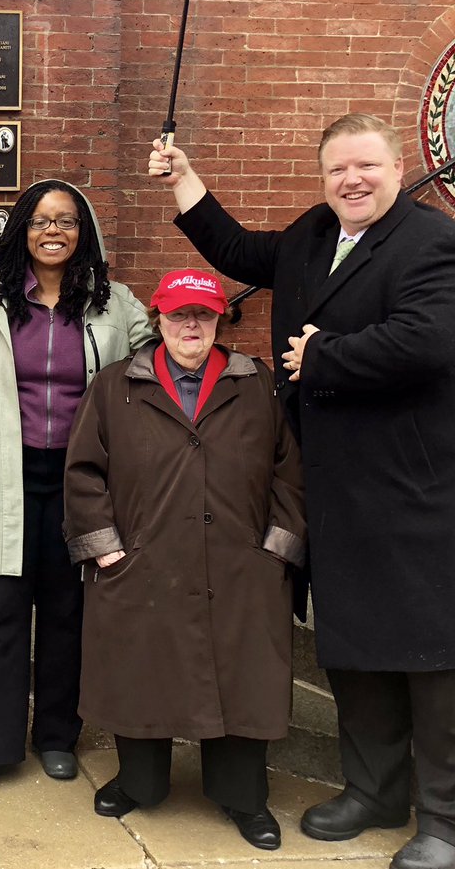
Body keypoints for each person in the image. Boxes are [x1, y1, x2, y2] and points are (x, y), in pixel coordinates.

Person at [152, 114, 455, 869]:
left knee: (429, 656)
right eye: (336, 170)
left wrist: (325, 355)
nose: (351, 181)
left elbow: (429, 339)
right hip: (329, 488)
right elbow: (235, 249)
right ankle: (374, 789)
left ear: (396, 166)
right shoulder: (314, 235)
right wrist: (183, 176)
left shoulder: (432, 241)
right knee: (352, 646)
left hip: (411, 491)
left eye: (366, 167)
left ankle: (444, 818)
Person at [64, 268, 306, 851]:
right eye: (178, 314)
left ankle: (244, 797)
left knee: (244, 678)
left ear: (220, 319)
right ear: (159, 320)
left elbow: (288, 474)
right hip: (142, 562)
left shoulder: (256, 384)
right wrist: (106, 548)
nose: (190, 324)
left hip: (239, 565)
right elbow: (83, 472)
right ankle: (139, 783)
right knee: (139, 673)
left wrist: (275, 550)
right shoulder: (117, 384)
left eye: (202, 313)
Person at [0, 179, 153, 810]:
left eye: (65, 221)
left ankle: (57, 734)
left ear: (83, 230)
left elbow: (153, 361)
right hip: (6, 477)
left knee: (67, 611)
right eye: (39, 221)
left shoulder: (114, 305)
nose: (52, 231)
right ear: (22, 231)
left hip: (81, 481)